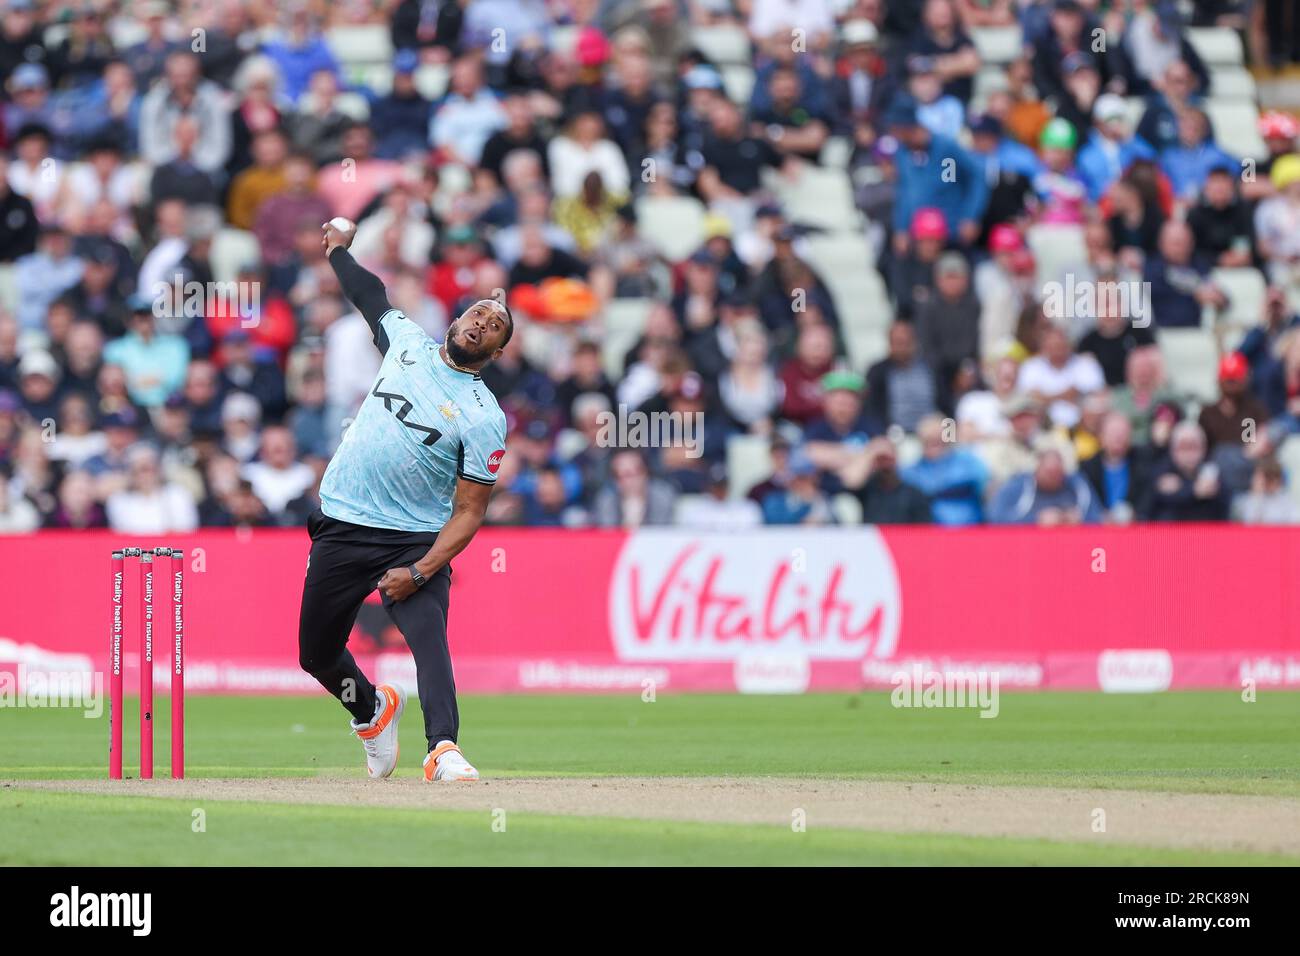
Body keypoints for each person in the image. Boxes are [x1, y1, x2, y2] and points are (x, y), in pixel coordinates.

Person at [298, 219, 512, 784]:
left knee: (429, 643)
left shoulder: (485, 415)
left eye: (495, 327)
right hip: (342, 523)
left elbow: (469, 512)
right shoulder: (408, 343)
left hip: (412, 537)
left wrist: (418, 572)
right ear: (457, 320)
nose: (482, 324)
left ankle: (443, 748)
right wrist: (340, 250)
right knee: (316, 655)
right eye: (477, 315)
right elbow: (369, 294)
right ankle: (370, 711)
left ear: (494, 352)